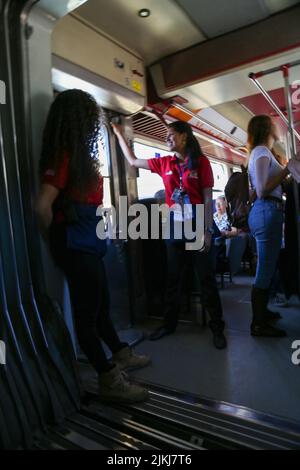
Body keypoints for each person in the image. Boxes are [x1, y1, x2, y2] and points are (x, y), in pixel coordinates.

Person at [35, 89, 150, 403]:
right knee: (87, 317)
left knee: (99, 306)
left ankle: (119, 353)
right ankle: (108, 377)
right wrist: (56, 247)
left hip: (90, 242)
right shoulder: (62, 155)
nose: (91, 126)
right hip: (76, 244)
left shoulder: (77, 156)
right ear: (76, 121)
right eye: (88, 120)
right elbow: (42, 207)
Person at [112, 120, 226, 349]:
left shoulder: (201, 162)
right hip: (174, 225)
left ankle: (217, 327)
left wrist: (205, 230)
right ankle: (169, 324)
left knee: (205, 279)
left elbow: (206, 198)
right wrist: (117, 133)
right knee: (173, 278)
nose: (167, 139)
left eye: (171, 135)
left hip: (196, 223)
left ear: (184, 136)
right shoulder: (164, 162)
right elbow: (133, 161)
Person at [247, 114, 291, 337]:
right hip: (266, 211)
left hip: (264, 211)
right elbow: (263, 189)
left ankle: (263, 312)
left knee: (268, 265)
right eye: (274, 123)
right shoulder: (262, 152)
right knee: (265, 268)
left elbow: (255, 190)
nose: (277, 126)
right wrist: (287, 168)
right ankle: (258, 324)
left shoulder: (260, 154)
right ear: (267, 129)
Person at [213, 195, 249, 275]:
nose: (218, 206)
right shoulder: (212, 216)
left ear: (226, 204)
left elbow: (235, 231)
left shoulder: (230, 217)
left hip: (222, 241)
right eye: (216, 204)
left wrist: (224, 233)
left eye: (220, 204)